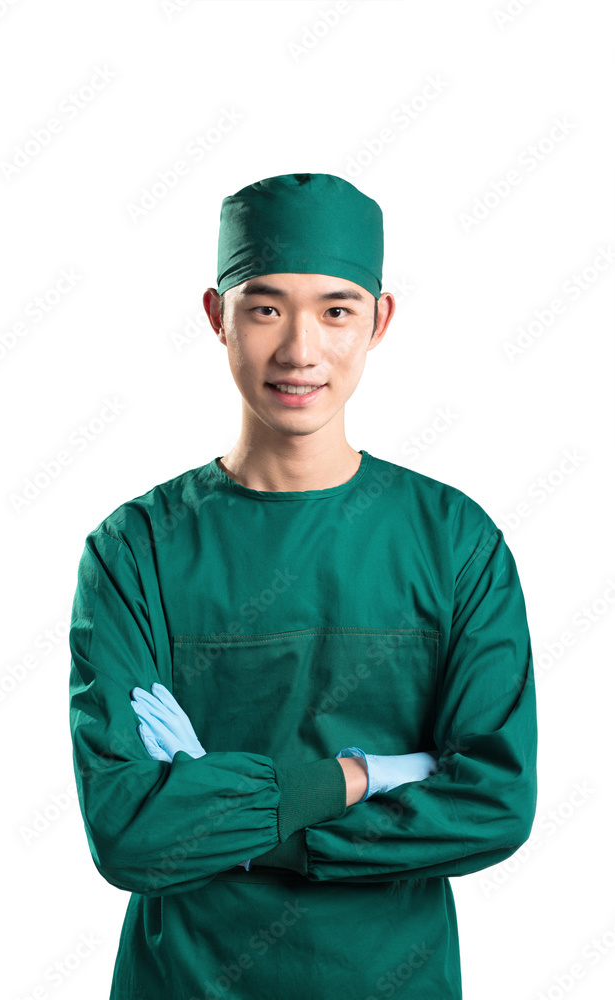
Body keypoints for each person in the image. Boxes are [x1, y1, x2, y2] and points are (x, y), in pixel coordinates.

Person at [68, 172, 538, 999]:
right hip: (184, 979)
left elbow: (494, 802)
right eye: (264, 307)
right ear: (217, 317)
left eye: (335, 309)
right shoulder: (135, 550)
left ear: (377, 321)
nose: (298, 349)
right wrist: (359, 777)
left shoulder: (455, 543)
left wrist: (233, 816)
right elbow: (129, 832)